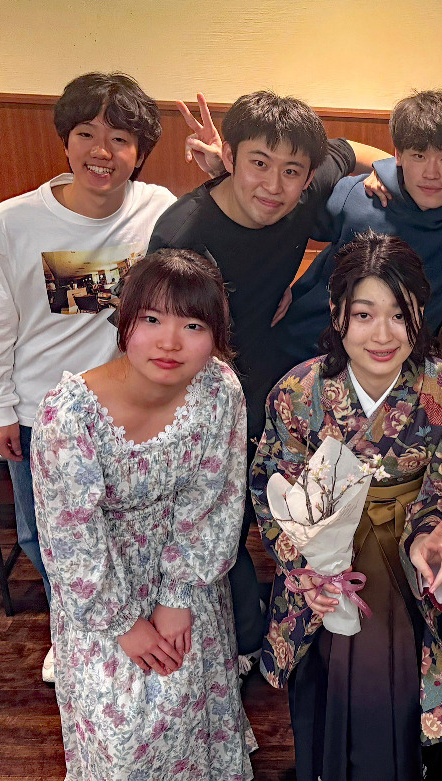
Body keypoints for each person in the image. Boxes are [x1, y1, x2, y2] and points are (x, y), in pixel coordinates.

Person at [147, 91, 389, 667]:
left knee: (272, 505)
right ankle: (234, 644)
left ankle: (282, 621)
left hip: (266, 375)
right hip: (196, 390)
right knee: (214, 519)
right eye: (258, 163)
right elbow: (150, 338)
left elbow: (350, 148)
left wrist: (388, 176)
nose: (274, 186)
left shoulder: (301, 194)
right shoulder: (182, 233)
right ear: (228, 156)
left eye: (291, 171)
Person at [0, 71, 175, 682]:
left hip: (129, 413)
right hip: (43, 413)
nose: (101, 151)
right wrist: (0, 408)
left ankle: (123, 624)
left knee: (124, 532)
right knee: (44, 537)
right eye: (86, 133)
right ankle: (73, 627)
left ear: (140, 152)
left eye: (120, 139)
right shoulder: (14, 221)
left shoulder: (158, 210)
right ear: (65, 140)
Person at [250, 232, 442, 781]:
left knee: (405, 708)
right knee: (324, 704)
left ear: (420, 314)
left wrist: (431, 541)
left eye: (400, 315)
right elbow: (269, 486)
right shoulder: (299, 392)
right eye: (364, 315)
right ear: (337, 314)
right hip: (324, 573)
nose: (383, 334)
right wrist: (305, 568)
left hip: (408, 569)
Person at [31, 248, 255, 780]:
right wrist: (123, 623)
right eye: (151, 319)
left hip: (188, 577)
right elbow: (70, 538)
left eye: (193, 325)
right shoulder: (70, 416)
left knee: (190, 707)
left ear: (216, 335)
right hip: (101, 588)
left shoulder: (219, 389)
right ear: (124, 322)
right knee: (125, 736)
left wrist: (178, 597)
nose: (169, 342)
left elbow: (216, 498)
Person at [266, 89, 442, 388]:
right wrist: (276, 279)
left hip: (393, 370)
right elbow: (283, 218)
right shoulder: (361, 195)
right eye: (418, 156)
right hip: (302, 351)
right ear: (398, 156)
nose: (431, 173)